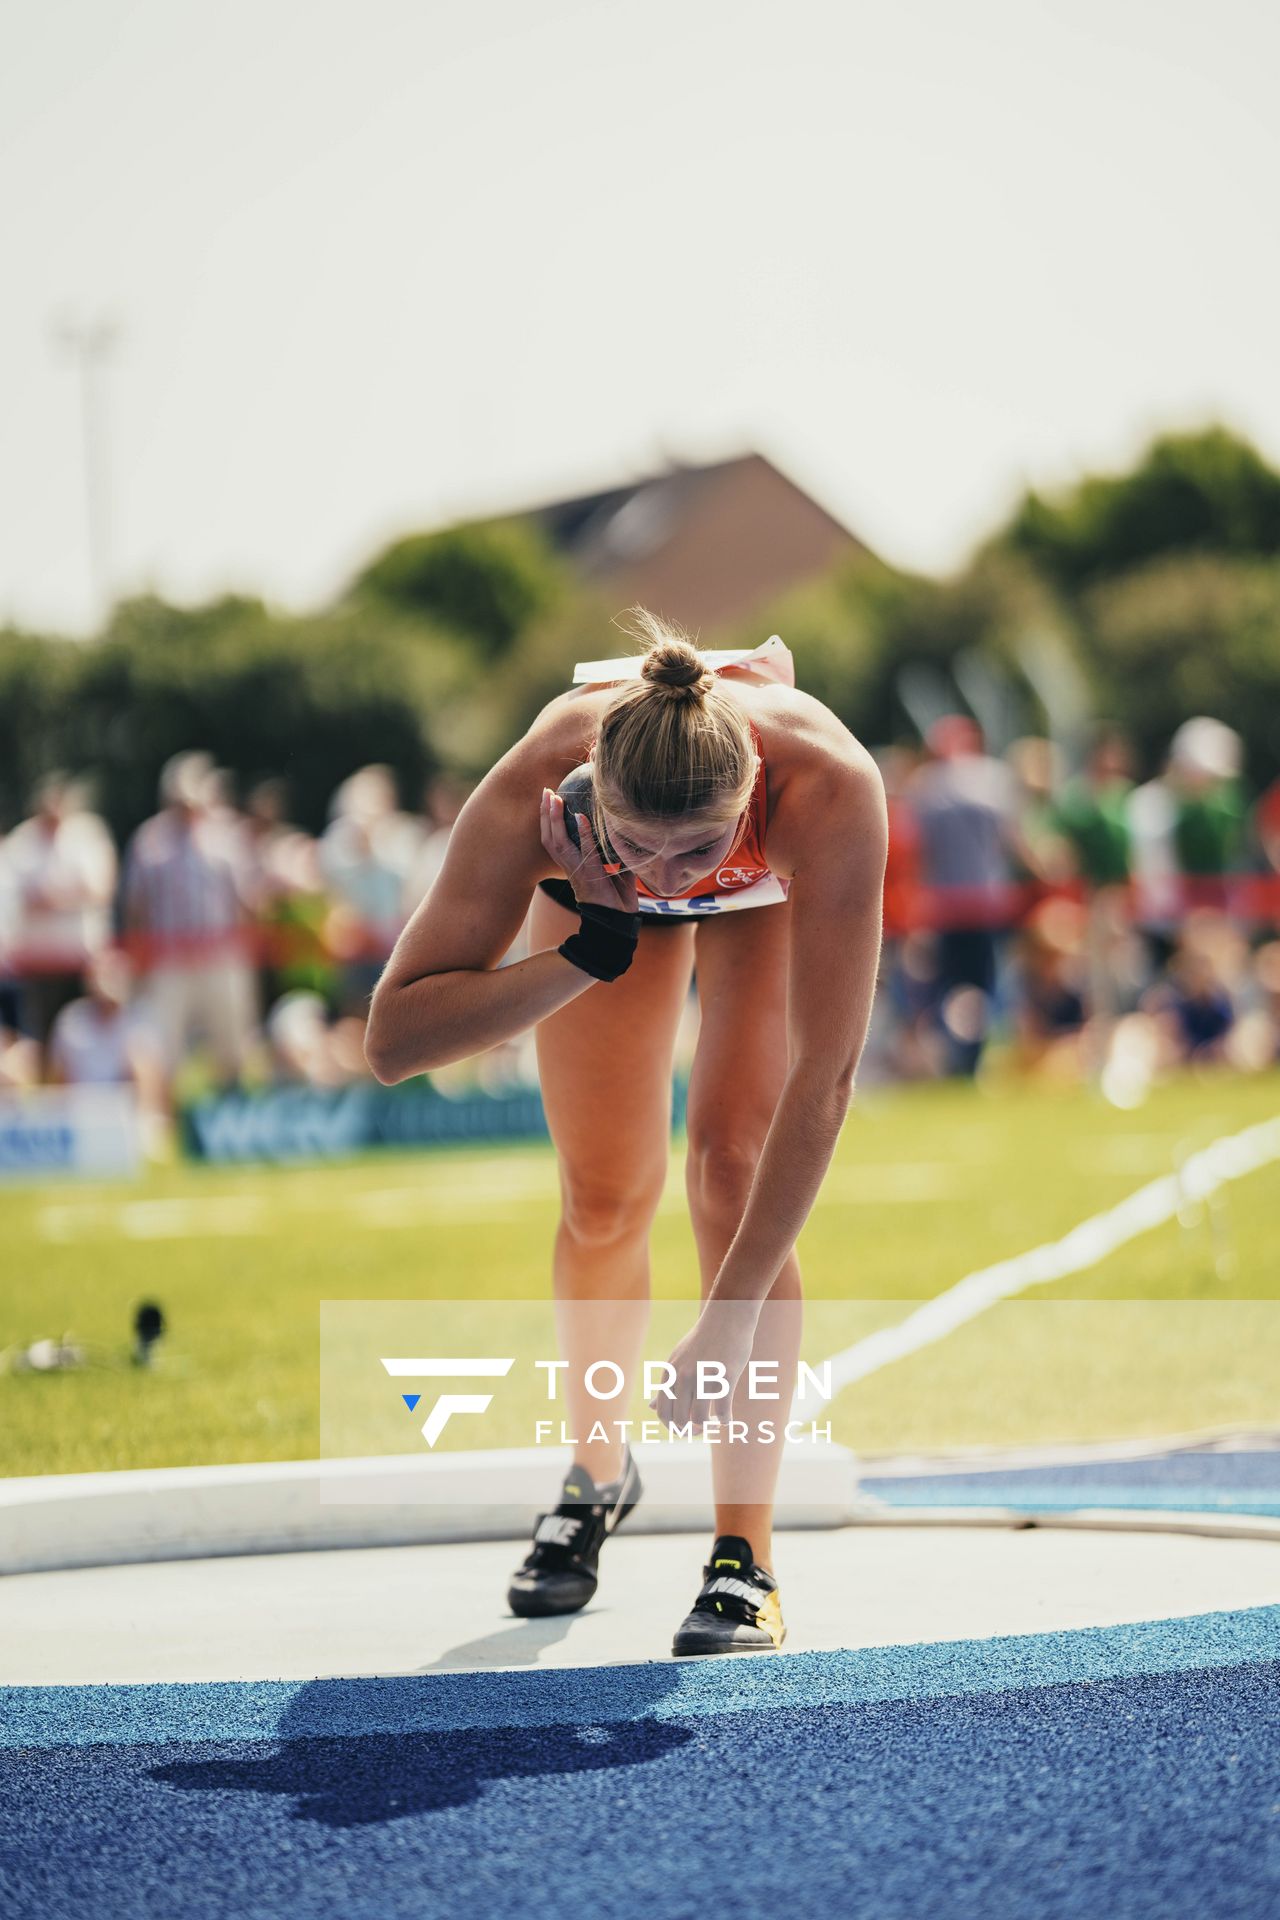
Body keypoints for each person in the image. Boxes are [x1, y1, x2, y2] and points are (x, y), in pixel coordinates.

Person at [365, 613, 887, 1658]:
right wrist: (589, 944)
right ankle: (595, 1476)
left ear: (747, 792)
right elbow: (394, 1040)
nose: (670, 875)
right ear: (591, 793)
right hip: (585, 893)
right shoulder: (548, 777)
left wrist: (727, 1318)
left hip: (769, 892)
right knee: (602, 1198)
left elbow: (821, 1088)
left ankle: (744, 1552)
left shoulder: (827, 785)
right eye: (639, 841)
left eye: (694, 848)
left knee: (729, 1171)